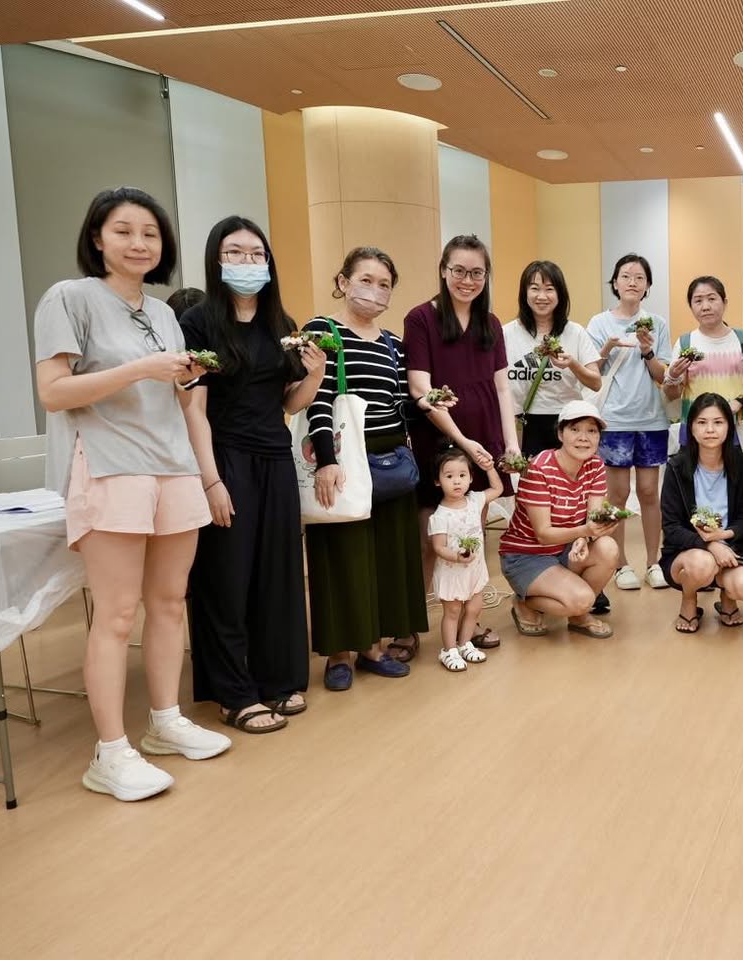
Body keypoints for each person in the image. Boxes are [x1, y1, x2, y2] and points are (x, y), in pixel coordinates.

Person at [34, 186, 228, 801]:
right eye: (123, 231)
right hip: (112, 466)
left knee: (170, 603)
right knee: (117, 615)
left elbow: (169, 397)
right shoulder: (69, 298)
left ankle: (165, 722)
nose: (139, 243)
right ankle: (109, 753)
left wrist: (184, 378)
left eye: (150, 232)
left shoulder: (164, 312)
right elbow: (55, 393)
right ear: (97, 238)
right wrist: (144, 369)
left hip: (170, 465)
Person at [181, 215, 323, 734]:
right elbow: (192, 409)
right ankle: (232, 692)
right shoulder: (199, 323)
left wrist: (315, 376)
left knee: (276, 572)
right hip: (225, 456)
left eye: (256, 254)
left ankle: (276, 678)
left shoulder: (282, 326)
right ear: (217, 260)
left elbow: (289, 405)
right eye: (235, 253)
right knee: (227, 574)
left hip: (274, 458)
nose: (247, 262)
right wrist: (211, 481)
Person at [303, 247, 430, 690]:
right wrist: (327, 461)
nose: (374, 291)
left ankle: (374, 647)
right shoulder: (322, 330)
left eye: (384, 284)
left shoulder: (394, 343)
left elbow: (401, 403)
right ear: (343, 281)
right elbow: (316, 400)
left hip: (391, 456)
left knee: (385, 553)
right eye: (365, 279)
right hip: (342, 454)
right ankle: (339, 652)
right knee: (341, 553)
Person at [404, 234, 517, 655]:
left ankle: (471, 621)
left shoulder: (490, 324)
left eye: (477, 273)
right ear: (443, 270)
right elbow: (421, 387)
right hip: (440, 440)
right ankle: (410, 625)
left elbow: (503, 390)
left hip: (484, 437)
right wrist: (463, 441)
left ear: (486, 276)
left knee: (473, 530)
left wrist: (509, 446)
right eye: (459, 271)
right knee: (430, 536)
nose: (467, 280)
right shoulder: (421, 318)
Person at [498, 400, 620, 638]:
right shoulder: (539, 468)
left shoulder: (595, 465)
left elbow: (592, 518)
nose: (583, 437)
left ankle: (578, 616)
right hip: (527, 555)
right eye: (575, 429)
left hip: (564, 548)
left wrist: (586, 537)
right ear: (560, 433)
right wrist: (585, 530)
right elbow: (543, 533)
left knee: (608, 547)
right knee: (583, 599)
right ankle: (525, 602)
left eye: (591, 431)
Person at [587, 254, 673, 591]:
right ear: (615, 282)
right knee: (618, 493)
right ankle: (620, 564)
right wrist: (606, 349)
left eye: (639, 277)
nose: (632, 282)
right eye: (626, 276)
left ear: (648, 286)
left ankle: (653, 562)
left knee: (650, 492)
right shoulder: (599, 324)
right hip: (614, 420)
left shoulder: (657, 323)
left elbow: (663, 377)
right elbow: (593, 372)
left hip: (651, 419)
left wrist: (649, 351)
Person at [659, 393, 743, 632]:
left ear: (729, 426)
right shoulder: (676, 467)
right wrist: (709, 544)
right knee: (702, 564)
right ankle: (689, 601)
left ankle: (728, 598)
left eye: (718, 422)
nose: (710, 429)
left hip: (731, 545)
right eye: (702, 422)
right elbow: (671, 526)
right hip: (687, 551)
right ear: (691, 428)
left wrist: (723, 537)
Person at [502, 260, 602, 455]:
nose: (542, 296)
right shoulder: (506, 334)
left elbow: (596, 382)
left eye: (549, 289)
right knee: (530, 483)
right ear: (524, 293)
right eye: (534, 288)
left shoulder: (575, 332)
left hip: (566, 422)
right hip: (522, 422)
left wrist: (572, 364)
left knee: (565, 483)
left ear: (560, 294)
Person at [427, 447, 503, 671]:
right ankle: (448, 650)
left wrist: (489, 468)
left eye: (462, 475)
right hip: (453, 572)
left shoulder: (475, 500)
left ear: (470, 477)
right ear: (438, 481)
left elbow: (497, 488)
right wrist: (457, 557)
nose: (457, 481)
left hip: (474, 571)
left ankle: (464, 643)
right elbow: (438, 547)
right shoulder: (439, 516)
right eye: (449, 476)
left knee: (473, 609)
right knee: (452, 612)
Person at [663, 276, 743, 432]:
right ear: (691, 306)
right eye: (698, 301)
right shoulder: (685, 343)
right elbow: (673, 395)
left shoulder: (741, 340)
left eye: (712, 299)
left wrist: (739, 401)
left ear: (725, 303)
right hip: (696, 431)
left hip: (735, 429)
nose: (705, 306)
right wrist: (672, 376)